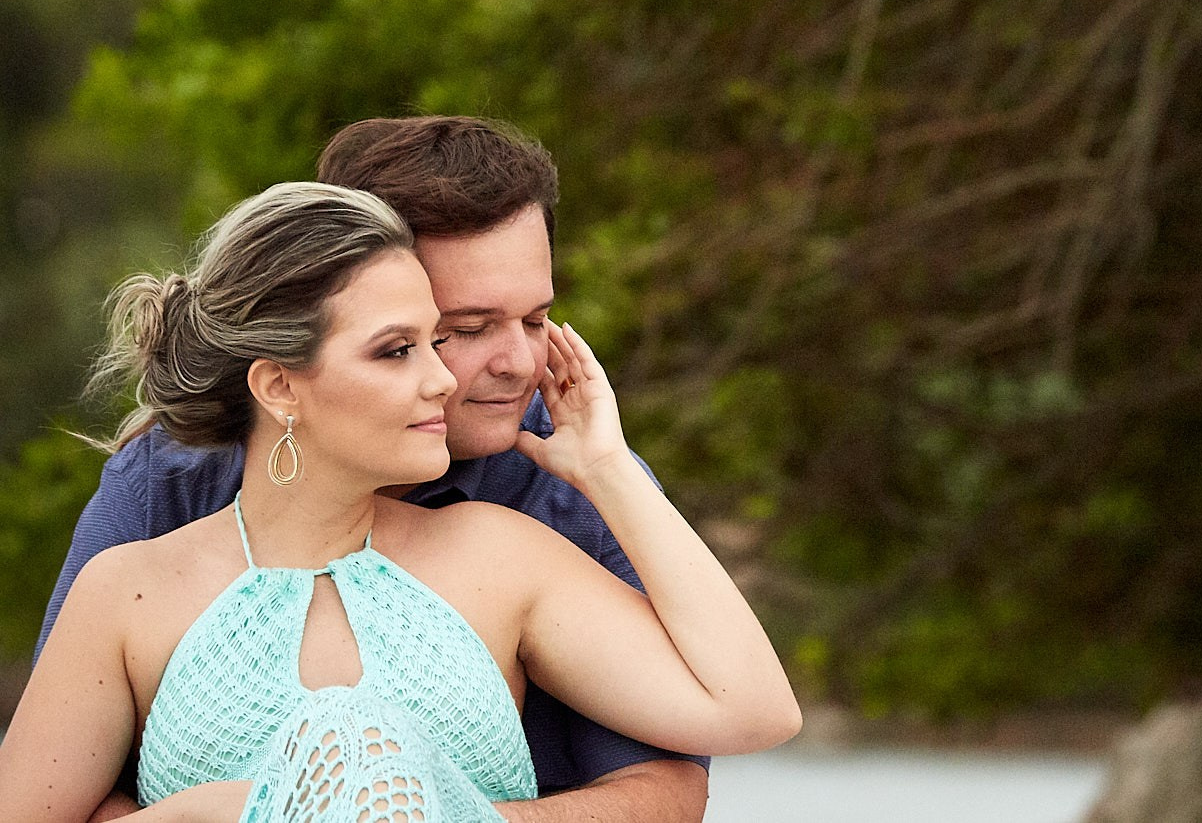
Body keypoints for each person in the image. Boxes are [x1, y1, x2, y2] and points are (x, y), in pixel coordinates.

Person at [0, 181, 801, 820]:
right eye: (397, 349)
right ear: (280, 385)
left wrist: (607, 464)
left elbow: (755, 710)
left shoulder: (497, 554)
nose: (443, 379)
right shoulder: (125, 591)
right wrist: (196, 817)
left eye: (433, 340)